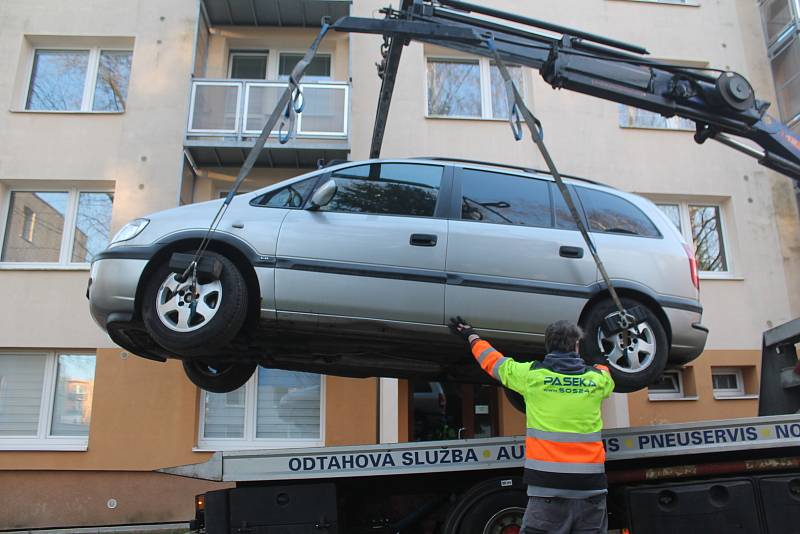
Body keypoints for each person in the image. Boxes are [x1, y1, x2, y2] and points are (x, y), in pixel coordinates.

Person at [449, 317, 614, 534]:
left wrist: (471, 336)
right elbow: (607, 374)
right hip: (591, 491)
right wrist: (599, 357)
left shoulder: (532, 377)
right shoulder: (596, 380)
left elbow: (493, 362)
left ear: (547, 345)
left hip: (548, 492)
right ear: (576, 346)